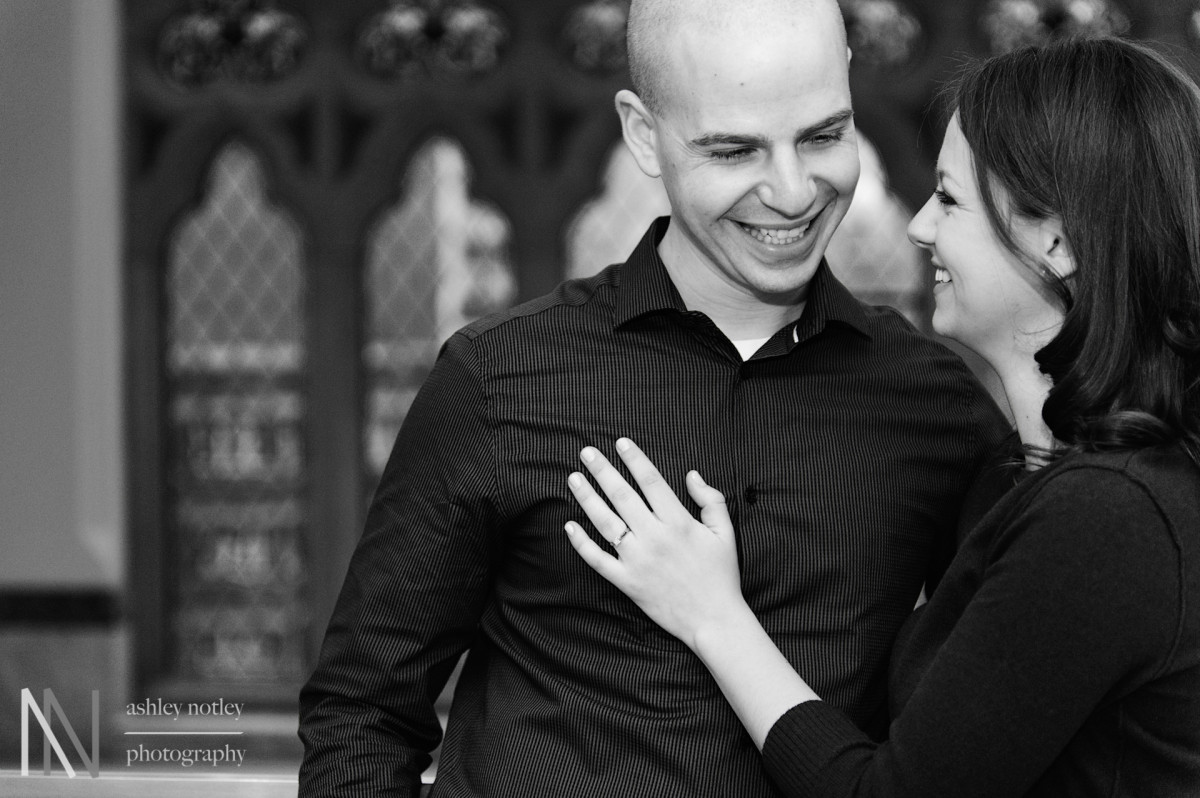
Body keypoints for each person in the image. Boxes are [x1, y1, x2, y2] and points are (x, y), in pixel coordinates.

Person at [297, 0, 1010, 794]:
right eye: (735, 149)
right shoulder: (495, 378)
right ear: (643, 133)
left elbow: (993, 717)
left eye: (822, 136)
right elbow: (362, 716)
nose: (792, 190)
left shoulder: (938, 407)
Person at [565, 35, 1200, 797]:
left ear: (1058, 241)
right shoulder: (1039, 477)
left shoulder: (1109, 516)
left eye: (952, 199)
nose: (920, 226)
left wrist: (711, 615)